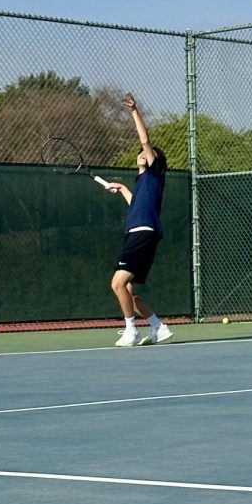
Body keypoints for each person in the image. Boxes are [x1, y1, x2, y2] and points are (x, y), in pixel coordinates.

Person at [105, 92, 173, 347]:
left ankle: (130, 330)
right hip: (142, 233)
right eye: (143, 152)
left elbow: (145, 139)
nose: (143, 152)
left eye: (148, 152)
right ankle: (158, 326)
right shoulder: (143, 182)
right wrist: (121, 188)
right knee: (129, 291)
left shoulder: (155, 174)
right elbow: (136, 204)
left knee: (117, 283)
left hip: (142, 233)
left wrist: (134, 111)